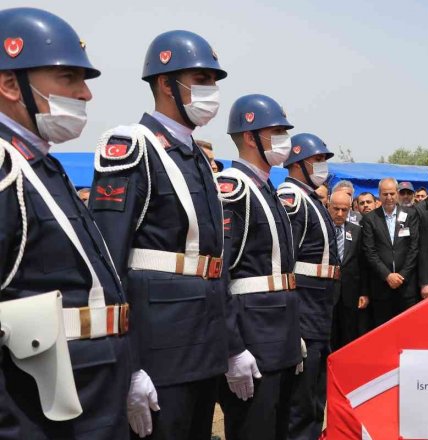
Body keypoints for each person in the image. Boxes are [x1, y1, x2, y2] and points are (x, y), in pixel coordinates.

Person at [89, 29, 228, 439]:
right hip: (157, 353)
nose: (212, 91)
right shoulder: (134, 146)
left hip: (203, 347)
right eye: (201, 80)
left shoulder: (195, 156)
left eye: (214, 81)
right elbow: (107, 263)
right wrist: (128, 366)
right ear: (167, 84)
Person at [0, 8, 130, 439]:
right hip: (35, 413)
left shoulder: (38, 162)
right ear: (9, 84)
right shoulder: (7, 168)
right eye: (68, 78)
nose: (86, 94)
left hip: (87, 397)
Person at [215, 94, 303, 440]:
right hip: (252, 339)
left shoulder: (266, 188)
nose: (285, 139)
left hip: (279, 339)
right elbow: (220, 274)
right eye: (276, 131)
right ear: (250, 137)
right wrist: (233, 348)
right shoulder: (234, 189)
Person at [278, 133, 339, 440]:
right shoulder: (292, 198)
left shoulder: (310, 197)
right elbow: (285, 261)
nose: (322, 166)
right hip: (304, 309)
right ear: (298, 163)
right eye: (317, 160)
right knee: (301, 402)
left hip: (319, 311)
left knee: (315, 397)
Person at [361, 178, 421, 326]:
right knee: (383, 331)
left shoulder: (410, 215)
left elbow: (414, 247)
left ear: (397, 194)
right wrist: (387, 275)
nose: (389, 198)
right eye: (385, 194)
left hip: (406, 286)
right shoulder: (370, 219)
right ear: (379, 195)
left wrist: (402, 275)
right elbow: (370, 251)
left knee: (408, 329)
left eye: (392, 193)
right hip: (381, 286)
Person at [328, 190, 369, 349]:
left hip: (350, 294)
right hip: (326, 294)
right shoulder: (320, 229)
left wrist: (364, 292)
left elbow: (363, 264)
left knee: (348, 337)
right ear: (328, 206)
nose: (339, 213)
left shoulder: (357, 231)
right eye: (336, 208)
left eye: (344, 210)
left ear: (350, 209)